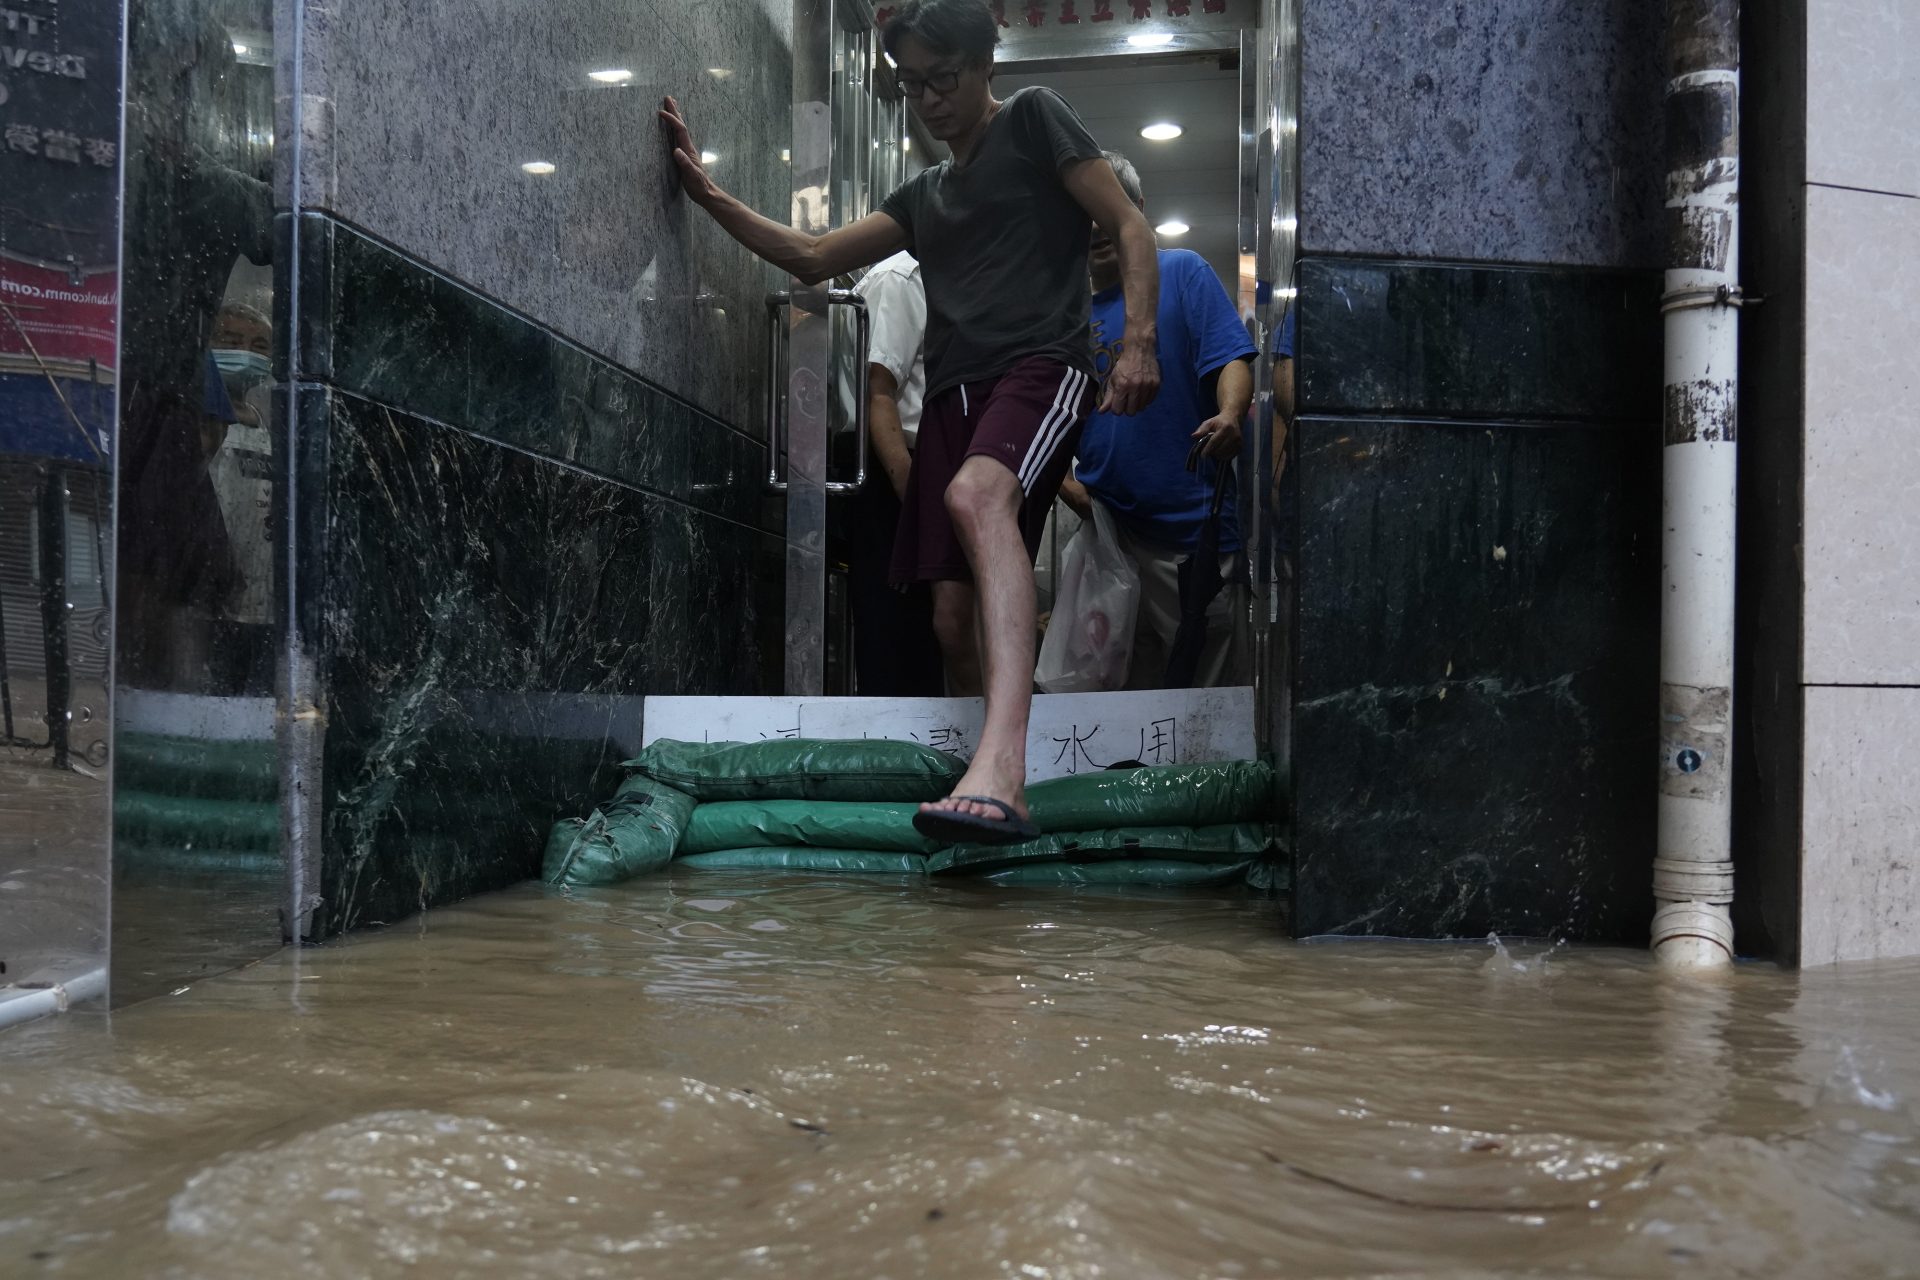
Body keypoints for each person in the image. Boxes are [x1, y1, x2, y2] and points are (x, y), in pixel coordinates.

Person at [659, 0, 1161, 845]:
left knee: (975, 497)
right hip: (958, 398)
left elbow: (1127, 223)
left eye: (944, 77)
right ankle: (991, 787)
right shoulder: (925, 194)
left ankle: (1004, 771)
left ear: (983, 67)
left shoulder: (1035, 121)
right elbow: (814, 257)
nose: (928, 99)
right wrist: (705, 192)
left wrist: (1139, 340)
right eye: (912, 84)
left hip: (1041, 368)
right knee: (948, 621)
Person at [1059, 151, 1257, 689]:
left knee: (1205, 695)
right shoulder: (1064, 313)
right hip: (1108, 539)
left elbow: (1230, 360)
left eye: (1109, 209)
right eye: (1082, 211)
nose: (1097, 228)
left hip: (1192, 534)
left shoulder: (1182, 271)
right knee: (1115, 696)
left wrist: (1231, 413)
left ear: (1136, 208)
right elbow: (1042, 416)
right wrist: (1065, 484)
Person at [847, 250, 945, 697]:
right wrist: (913, 497)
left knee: (924, 633)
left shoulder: (946, 278)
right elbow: (878, 392)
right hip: (894, 469)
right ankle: (896, 754)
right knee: (894, 634)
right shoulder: (902, 279)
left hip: (922, 468)